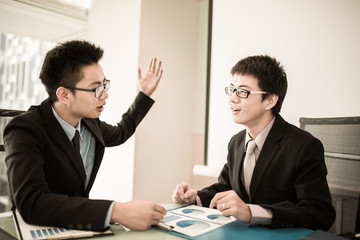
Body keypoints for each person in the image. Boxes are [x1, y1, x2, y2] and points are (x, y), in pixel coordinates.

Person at [4, 40, 166, 232]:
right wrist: (116, 211)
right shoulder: (24, 129)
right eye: (96, 88)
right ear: (64, 95)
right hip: (37, 230)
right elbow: (32, 202)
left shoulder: (88, 122)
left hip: (78, 229)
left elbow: (121, 133)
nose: (105, 95)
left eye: (105, 84)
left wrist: (144, 94)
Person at [172, 55, 335, 230]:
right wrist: (196, 197)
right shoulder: (236, 142)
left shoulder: (304, 146)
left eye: (243, 92)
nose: (233, 98)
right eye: (232, 90)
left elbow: (320, 213)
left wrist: (252, 212)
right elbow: (226, 187)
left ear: (270, 100)